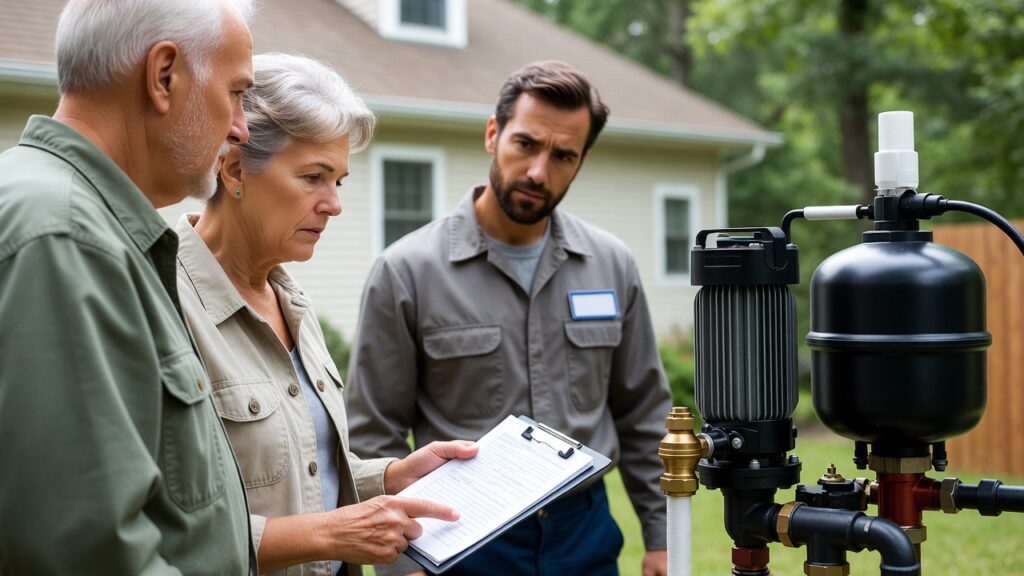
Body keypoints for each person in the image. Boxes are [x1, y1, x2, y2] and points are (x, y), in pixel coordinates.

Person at [346, 60, 673, 576]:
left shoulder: (612, 265)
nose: (539, 172)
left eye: (563, 155)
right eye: (526, 144)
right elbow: (373, 431)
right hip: (462, 535)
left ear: (581, 162)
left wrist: (663, 538)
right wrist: (399, 559)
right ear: (493, 134)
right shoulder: (406, 271)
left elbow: (644, 416)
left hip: (584, 534)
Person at [174, 52, 478, 576]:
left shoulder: (290, 301)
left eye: (339, 181)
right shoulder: (164, 303)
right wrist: (335, 534)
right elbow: (168, 523)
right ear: (233, 169)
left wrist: (389, 478)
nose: (333, 204)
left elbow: (296, 474)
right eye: (314, 177)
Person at [0, 0, 256, 574]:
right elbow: (85, 554)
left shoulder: (76, 220)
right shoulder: (64, 237)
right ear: (164, 76)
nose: (241, 126)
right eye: (237, 92)